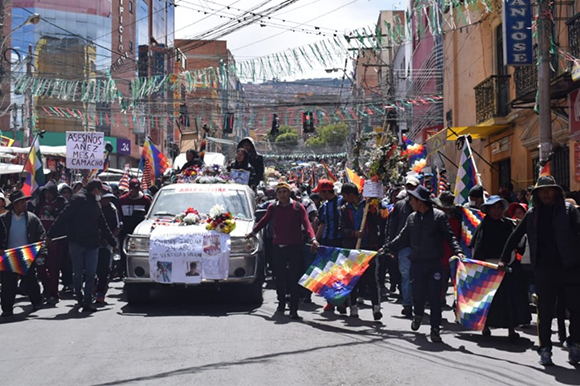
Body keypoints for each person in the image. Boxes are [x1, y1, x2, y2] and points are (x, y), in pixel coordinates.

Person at [500, 176, 580, 365]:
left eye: (549, 190)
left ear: (556, 192)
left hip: (569, 269)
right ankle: (545, 349)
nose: (545, 194)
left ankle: (575, 343)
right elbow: (515, 236)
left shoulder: (569, 212)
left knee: (576, 310)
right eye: (541, 191)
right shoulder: (532, 214)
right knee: (544, 313)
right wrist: (503, 259)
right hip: (544, 271)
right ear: (537, 194)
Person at [384, 186, 464, 343]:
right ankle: (418, 314)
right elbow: (402, 237)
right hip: (416, 264)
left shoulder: (439, 217)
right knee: (418, 294)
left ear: (420, 201)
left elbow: (450, 236)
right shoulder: (412, 218)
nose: (410, 202)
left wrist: (458, 251)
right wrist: (387, 247)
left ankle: (435, 329)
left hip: (434, 264)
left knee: (435, 298)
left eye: (412, 199)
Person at [246, 182, 319, 320]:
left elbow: (307, 224)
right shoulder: (273, 207)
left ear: (289, 193)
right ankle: (281, 303)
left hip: (295, 248)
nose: (282, 195)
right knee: (279, 277)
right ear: (276, 194)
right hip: (278, 248)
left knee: (294, 278)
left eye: (285, 192)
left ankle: (293, 309)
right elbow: (264, 221)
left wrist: (313, 239)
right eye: (280, 192)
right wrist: (252, 232)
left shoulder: (298, 207)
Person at [48, 179, 118, 313]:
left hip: (92, 244)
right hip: (77, 243)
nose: (101, 194)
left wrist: (113, 243)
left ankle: (86, 301)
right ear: (95, 189)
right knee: (78, 273)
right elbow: (63, 217)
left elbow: (103, 225)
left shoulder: (96, 203)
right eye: (100, 191)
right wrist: (50, 234)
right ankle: (79, 295)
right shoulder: (78, 199)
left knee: (91, 273)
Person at [470, 196, 530, 342]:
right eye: (493, 208)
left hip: (508, 267)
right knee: (490, 300)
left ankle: (511, 329)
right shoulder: (483, 227)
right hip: (490, 269)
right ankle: (486, 326)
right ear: (488, 210)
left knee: (511, 299)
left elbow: (518, 243)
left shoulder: (508, 225)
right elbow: (477, 249)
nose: (496, 211)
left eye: (498, 208)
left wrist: (519, 227)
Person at [339, 182, 382, 320]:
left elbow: (379, 222)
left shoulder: (368, 206)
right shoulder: (344, 210)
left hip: (369, 248)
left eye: (345, 195)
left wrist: (374, 212)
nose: (344, 198)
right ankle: (353, 308)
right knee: (352, 280)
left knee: (372, 280)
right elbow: (342, 229)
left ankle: (376, 308)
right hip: (352, 249)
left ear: (351, 195)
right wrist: (353, 234)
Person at [0, 190, 43, 317]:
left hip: (26, 254)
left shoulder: (32, 218)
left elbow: (41, 234)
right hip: (9, 255)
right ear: (15, 204)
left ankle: (36, 302)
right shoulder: (3, 219)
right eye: (21, 202)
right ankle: (7, 308)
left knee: (31, 281)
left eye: (25, 201)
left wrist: (41, 252)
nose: (24, 204)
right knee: (8, 284)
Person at [386, 176, 420, 317]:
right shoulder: (400, 206)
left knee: (419, 276)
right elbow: (392, 226)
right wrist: (391, 246)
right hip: (404, 247)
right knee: (406, 276)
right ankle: (407, 304)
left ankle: (418, 303)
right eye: (408, 186)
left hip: (420, 247)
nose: (410, 189)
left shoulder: (426, 205)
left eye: (413, 186)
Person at [313, 179, 345, 313]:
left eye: (320, 192)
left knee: (340, 273)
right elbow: (322, 224)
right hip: (326, 242)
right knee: (327, 273)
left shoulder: (342, 202)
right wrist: (316, 240)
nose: (319, 195)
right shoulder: (324, 206)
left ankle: (341, 302)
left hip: (340, 241)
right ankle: (330, 301)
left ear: (326, 191)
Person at [34, 181, 67, 305]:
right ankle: (46, 289)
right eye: (46, 193)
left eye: (50, 193)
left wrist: (53, 212)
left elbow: (64, 220)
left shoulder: (61, 204)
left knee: (53, 268)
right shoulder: (39, 204)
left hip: (55, 241)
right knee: (40, 267)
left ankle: (53, 293)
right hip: (40, 241)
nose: (47, 195)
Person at [116, 178, 152, 277]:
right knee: (124, 253)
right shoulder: (122, 200)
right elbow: (118, 215)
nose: (133, 191)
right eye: (132, 189)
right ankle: (125, 273)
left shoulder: (145, 200)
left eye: (136, 189)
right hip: (125, 231)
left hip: (139, 232)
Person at [432, 190, 462, 305]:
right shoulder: (441, 219)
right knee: (440, 285)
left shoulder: (455, 221)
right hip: (442, 256)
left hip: (450, 256)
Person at [95, 187, 122, 304]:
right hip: (93, 243)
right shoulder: (93, 208)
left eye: (108, 199)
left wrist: (110, 240)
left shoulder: (112, 209)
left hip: (108, 244)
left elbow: (118, 227)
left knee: (105, 269)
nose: (106, 201)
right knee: (91, 269)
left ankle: (101, 292)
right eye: (104, 198)